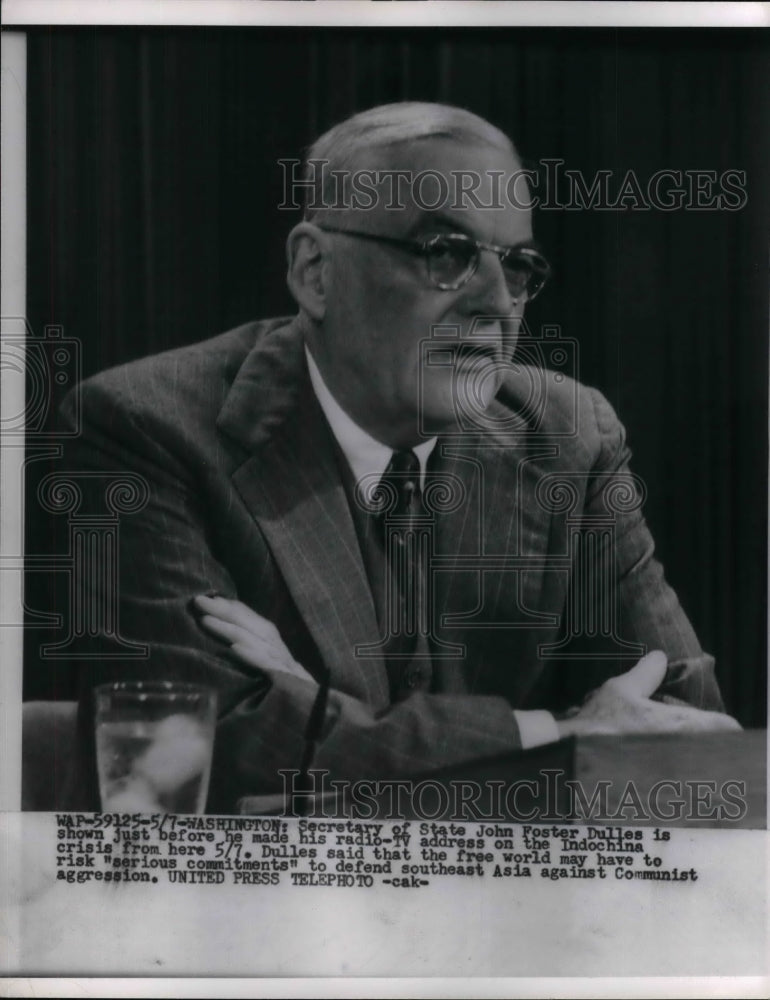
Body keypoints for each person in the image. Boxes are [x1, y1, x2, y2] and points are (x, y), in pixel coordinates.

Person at [60, 102, 738, 813]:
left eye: (519, 266)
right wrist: (558, 733)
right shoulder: (144, 428)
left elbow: (692, 739)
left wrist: (314, 718)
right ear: (315, 272)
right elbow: (204, 748)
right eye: (446, 253)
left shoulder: (569, 435)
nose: (495, 301)